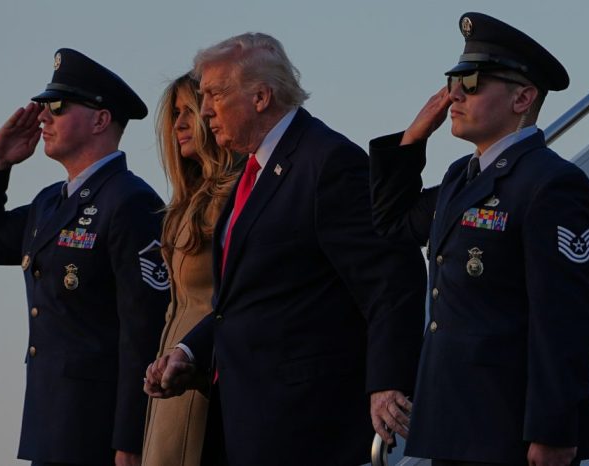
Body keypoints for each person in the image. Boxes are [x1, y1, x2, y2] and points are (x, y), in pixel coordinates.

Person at [144, 33, 427, 466]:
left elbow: (391, 276)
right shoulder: (253, 170)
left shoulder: (327, 161)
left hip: (309, 425)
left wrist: (388, 383)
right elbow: (243, 300)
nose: (205, 111)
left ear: (261, 97)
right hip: (247, 421)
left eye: (215, 95)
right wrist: (189, 352)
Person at [369, 12, 589, 466]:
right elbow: (393, 223)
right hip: (454, 425)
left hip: (511, 430)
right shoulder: (462, 176)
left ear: (523, 98)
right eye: (453, 80)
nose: (455, 94)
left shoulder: (549, 183)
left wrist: (553, 429)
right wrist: (413, 140)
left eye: (472, 82)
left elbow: (564, 320)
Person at [0, 48, 170, 466]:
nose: (43, 117)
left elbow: (144, 329)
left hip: (98, 432)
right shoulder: (50, 203)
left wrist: (131, 438)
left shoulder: (129, 201)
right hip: (52, 426)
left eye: (57, 107)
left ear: (100, 120)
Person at [141, 73, 242, 466]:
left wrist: (190, 355)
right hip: (173, 379)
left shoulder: (236, 195)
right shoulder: (186, 203)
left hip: (210, 383)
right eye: (175, 114)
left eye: (189, 111)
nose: (179, 124)